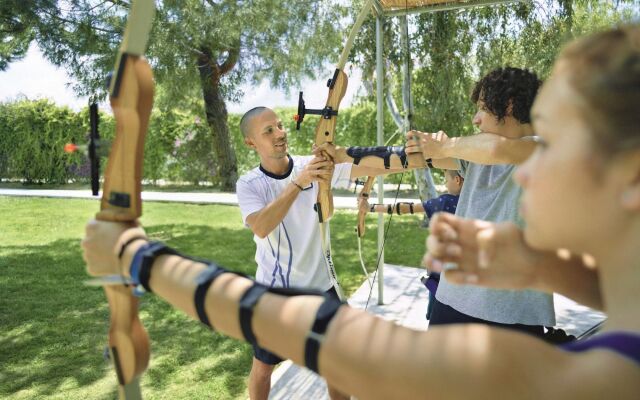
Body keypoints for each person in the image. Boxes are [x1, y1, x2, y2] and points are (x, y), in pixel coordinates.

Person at [83, 26, 640, 398]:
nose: (534, 165)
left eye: (556, 141)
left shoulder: (591, 376)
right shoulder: (619, 306)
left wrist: (140, 259)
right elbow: (387, 161)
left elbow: (350, 342)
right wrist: (544, 270)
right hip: (442, 303)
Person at [236, 106, 414, 400]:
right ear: (251, 143)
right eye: (268, 131)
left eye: (280, 126)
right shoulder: (250, 184)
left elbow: (367, 166)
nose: (280, 134)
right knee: (264, 369)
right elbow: (261, 226)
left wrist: (413, 154)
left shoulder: (313, 165)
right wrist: (299, 183)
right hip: (275, 295)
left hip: (322, 288)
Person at [406, 67, 555, 339]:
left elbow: (498, 150)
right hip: (450, 301)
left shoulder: (546, 148)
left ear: (509, 106)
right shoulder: (475, 154)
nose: (475, 120)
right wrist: (345, 156)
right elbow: (426, 158)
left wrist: (446, 146)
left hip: (510, 318)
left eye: (483, 109)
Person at [360, 169, 464, 320]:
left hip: (441, 277)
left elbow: (406, 208)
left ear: (457, 180)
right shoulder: (478, 204)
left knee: (437, 318)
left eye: (446, 180)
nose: (445, 184)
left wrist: (370, 207)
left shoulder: (446, 202)